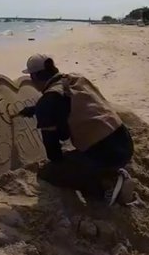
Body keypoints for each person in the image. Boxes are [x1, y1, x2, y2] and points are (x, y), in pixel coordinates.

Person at [18, 53, 135, 206]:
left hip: (105, 153)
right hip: (124, 142)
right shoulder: (76, 80)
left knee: (48, 172)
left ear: (34, 77)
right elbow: (67, 103)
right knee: (78, 159)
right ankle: (110, 172)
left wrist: (62, 164)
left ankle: (106, 188)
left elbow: (53, 152)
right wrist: (35, 109)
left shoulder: (48, 101)